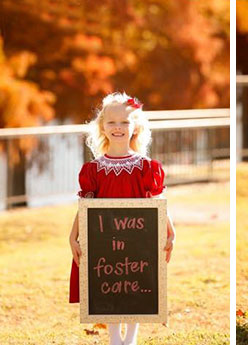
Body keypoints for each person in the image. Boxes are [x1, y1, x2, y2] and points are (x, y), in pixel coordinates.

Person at [68, 92, 176, 345]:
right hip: (105, 239)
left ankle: (132, 339)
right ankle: (115, 339)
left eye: (125, 122)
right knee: (109, 280)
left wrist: (171, 230)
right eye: (112, 122)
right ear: (102, 127)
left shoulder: (146, 168)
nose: (118, 128)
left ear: (135, 127)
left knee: (135, 280)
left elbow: (158, 203)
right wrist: (73, 235)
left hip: (137, 238)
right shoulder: (94, 170)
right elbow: (85, 206)